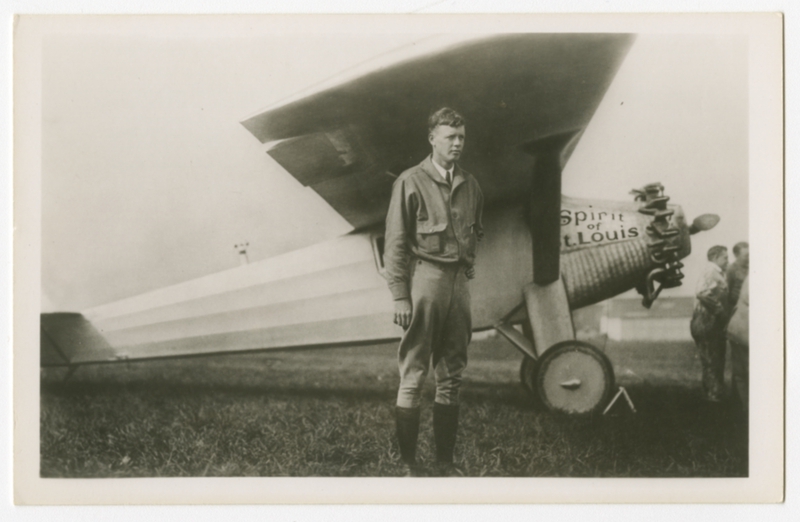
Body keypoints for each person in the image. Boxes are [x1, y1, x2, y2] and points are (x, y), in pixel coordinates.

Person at [383, 107, 484, 476]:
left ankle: (445, 463)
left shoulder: (470, 184)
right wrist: (399, 294)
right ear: (432, 140)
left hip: (458, 284)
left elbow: (476, 229)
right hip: (425, 279)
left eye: (461, 137)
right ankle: (410, 467)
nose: (457, 144)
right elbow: (394, 242)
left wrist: (468, 259)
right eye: (449, 138)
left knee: (453, 372)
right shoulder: (410, 181)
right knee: (414, 371)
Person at [690, 245, 730, 402]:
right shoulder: (711, 272)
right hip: (706, 322)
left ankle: (715, 394)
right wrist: (719, 310)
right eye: (725, 258)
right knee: (711, 360)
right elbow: (701, 292)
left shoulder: (716, 272)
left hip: (711, 322)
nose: (728, 261)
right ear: (715, 258)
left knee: (715, 358)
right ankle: (713, 396)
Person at [727, 275, 749, 415]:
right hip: (745, 330)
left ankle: (745, 409)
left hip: (736, 328)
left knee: (741, 374)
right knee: (747, 372)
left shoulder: (749, 276)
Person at [726, 241, 749, 310]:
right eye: (746, 256)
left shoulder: (751, 269)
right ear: (736, 255)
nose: (749, 258)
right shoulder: (731, 270)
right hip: (737, 308)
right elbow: (727, 292)